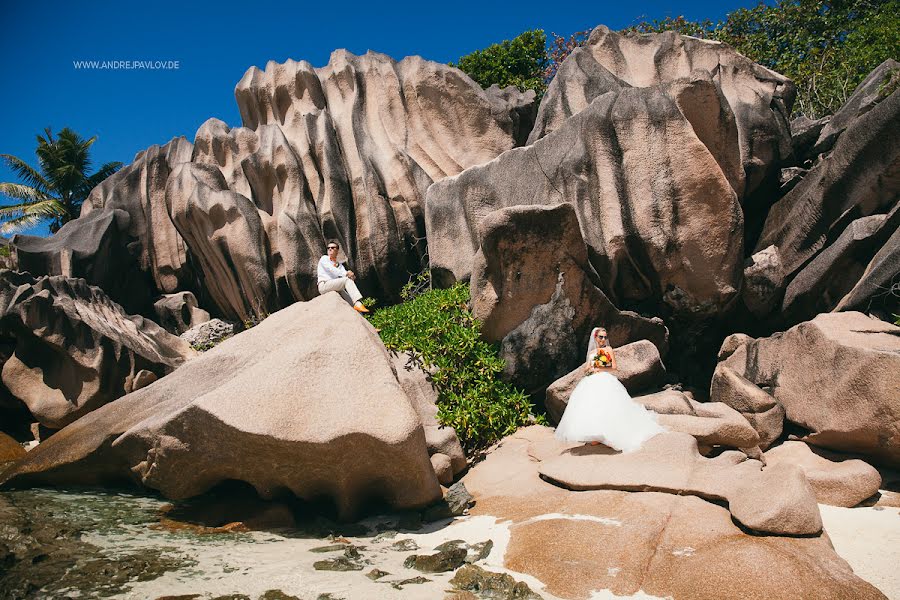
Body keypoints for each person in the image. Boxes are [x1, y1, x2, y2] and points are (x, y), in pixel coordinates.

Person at [554, 327, 665, 452]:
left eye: (604, 337)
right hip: (593, 381)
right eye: (600, 337)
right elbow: (587, 367)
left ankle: (610, 435)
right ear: (595, 338)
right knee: (594, 407)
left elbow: (612, 367)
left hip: (606, 379)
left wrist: (599, 368)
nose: (603, 339)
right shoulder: (593, 353)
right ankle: (597, 435)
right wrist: (590, 369)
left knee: (608, 406)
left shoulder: (608, 350)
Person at [317, 240, 369, 313]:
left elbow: (344, 274)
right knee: (346, 280)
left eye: (332, 247)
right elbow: (332, 269)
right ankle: (358, 303)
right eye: (328, 248)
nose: (329, 249)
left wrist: (351, 276)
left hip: (336, 287)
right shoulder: (324, 258)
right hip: (324, 285)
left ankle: (359, 313)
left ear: (337, 250)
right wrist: (347, 274)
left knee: (351, 302)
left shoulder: (339, 265)